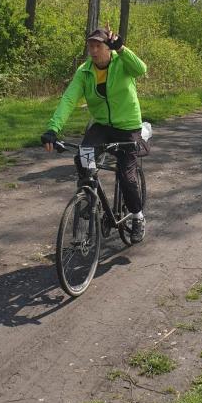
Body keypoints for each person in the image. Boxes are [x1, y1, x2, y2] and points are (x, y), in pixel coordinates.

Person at [41, 24, 148, 243]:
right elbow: (69, 99)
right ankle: (90, 196)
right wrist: (54, 128)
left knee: (126, 177)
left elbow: (141, 70)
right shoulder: (85, 71)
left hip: (127, 127)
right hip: (101, 125)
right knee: (83, 157)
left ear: (108, 48)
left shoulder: (122, 63)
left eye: (98, 45)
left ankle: (137, 217)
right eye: (90, 46)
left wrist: (122, 48)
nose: (93, 50)